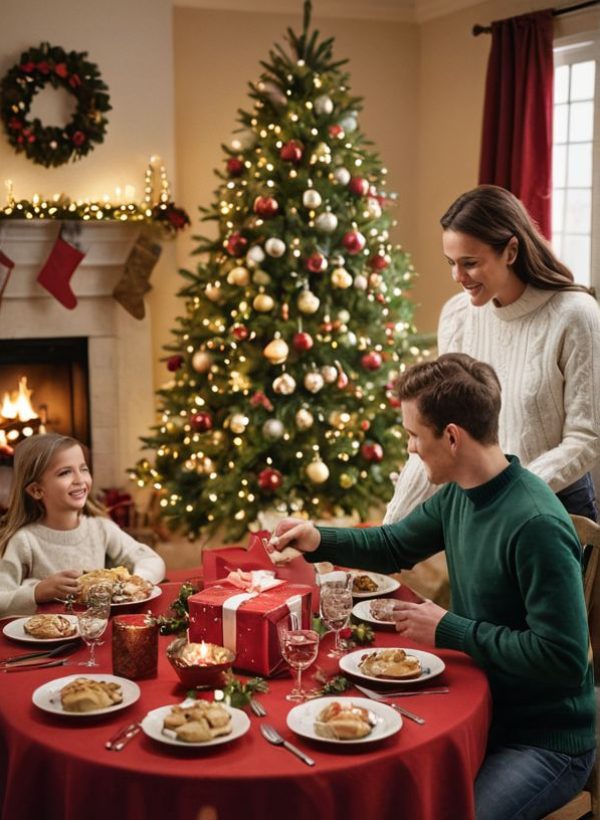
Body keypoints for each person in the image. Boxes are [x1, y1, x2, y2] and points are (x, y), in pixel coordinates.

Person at [271, 353, 596, 820]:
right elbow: (393, 546)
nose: (409, 448)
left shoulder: (535, 524)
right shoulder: (460, 494)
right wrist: (318, 538)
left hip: (541, 740)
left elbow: (563, 660)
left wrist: (451, 630)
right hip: (485, 708)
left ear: (451, 436)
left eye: (412, 436)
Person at [385, 184, 600, 527]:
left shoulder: (575, 314)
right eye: (451, 263)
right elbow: (437, 431)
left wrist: (509, 492)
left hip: (556, 508)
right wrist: (389, 531)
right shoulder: (457, 317)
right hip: (483, 506)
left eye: (470, 263)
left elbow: (587, 438)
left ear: (511, 251)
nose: (458, 277)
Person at [0, 433, 165, 617]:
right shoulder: (25, 541)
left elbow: (152, 560)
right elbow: (2, 599)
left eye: (83, 469)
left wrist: (136, 583)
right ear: (37, 490)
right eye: (65, 472)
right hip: (49, 640)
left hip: (95, 632)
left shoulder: (101, 529)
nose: (80, 480)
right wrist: (36, 592)